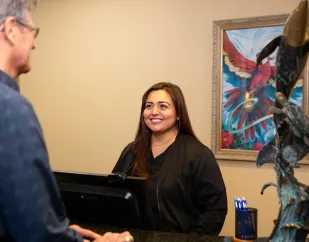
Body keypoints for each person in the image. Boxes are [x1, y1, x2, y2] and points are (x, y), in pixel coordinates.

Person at [0, 1, 133, 241]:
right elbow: (37, 234)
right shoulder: (11, 108)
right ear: (11, 29)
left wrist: (65, 232)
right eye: (32, 31)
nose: (34, 43)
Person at [112, 82, 227, 235]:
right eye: (148, 106)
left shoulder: (198, 154)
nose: (154, 112)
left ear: (178, 114)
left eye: (163, 106)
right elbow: (114, 198)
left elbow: (215, 210)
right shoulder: (131, 151)